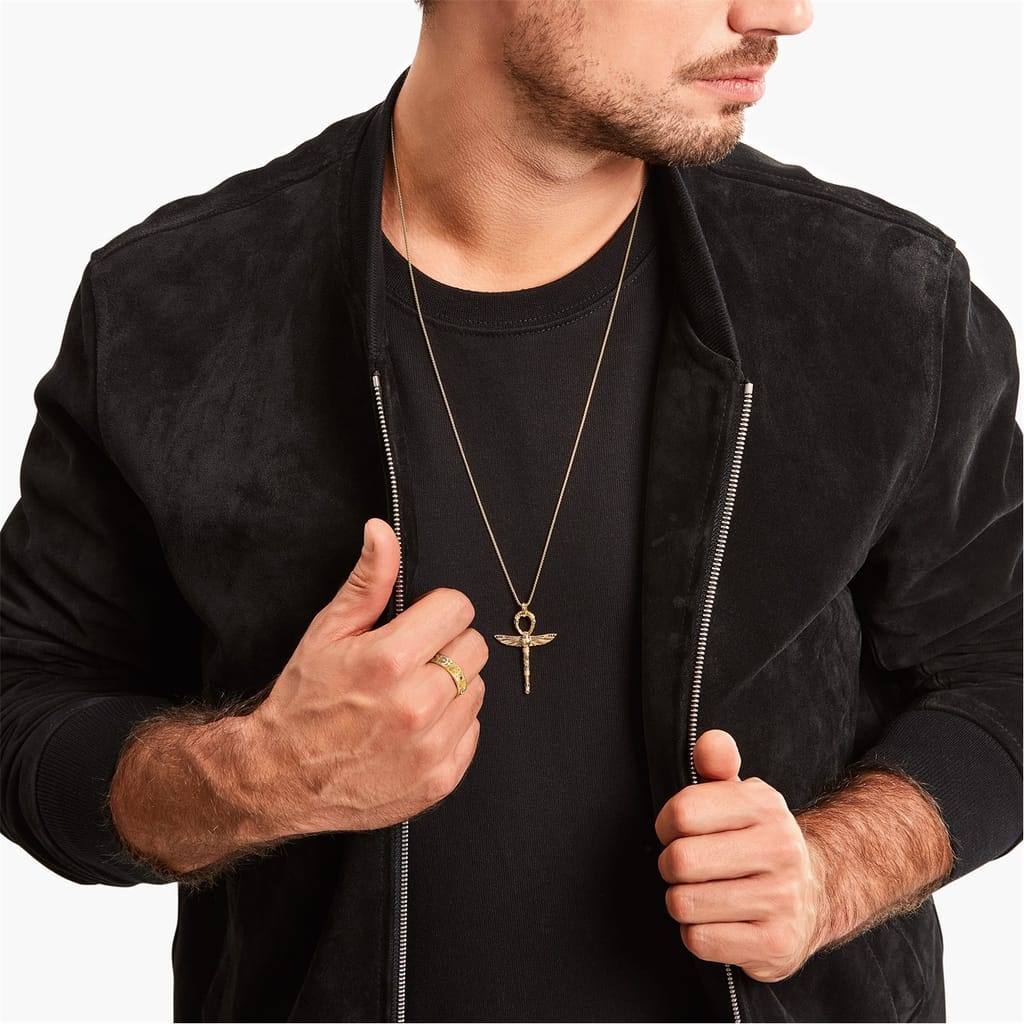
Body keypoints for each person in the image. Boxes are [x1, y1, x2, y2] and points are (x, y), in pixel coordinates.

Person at [1, 1, 1020, 1021]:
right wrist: (255, 776)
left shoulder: (882, 299)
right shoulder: (172, 312)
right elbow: (24, 700)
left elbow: (1003, 672)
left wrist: (832, 871)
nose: (782, 14)